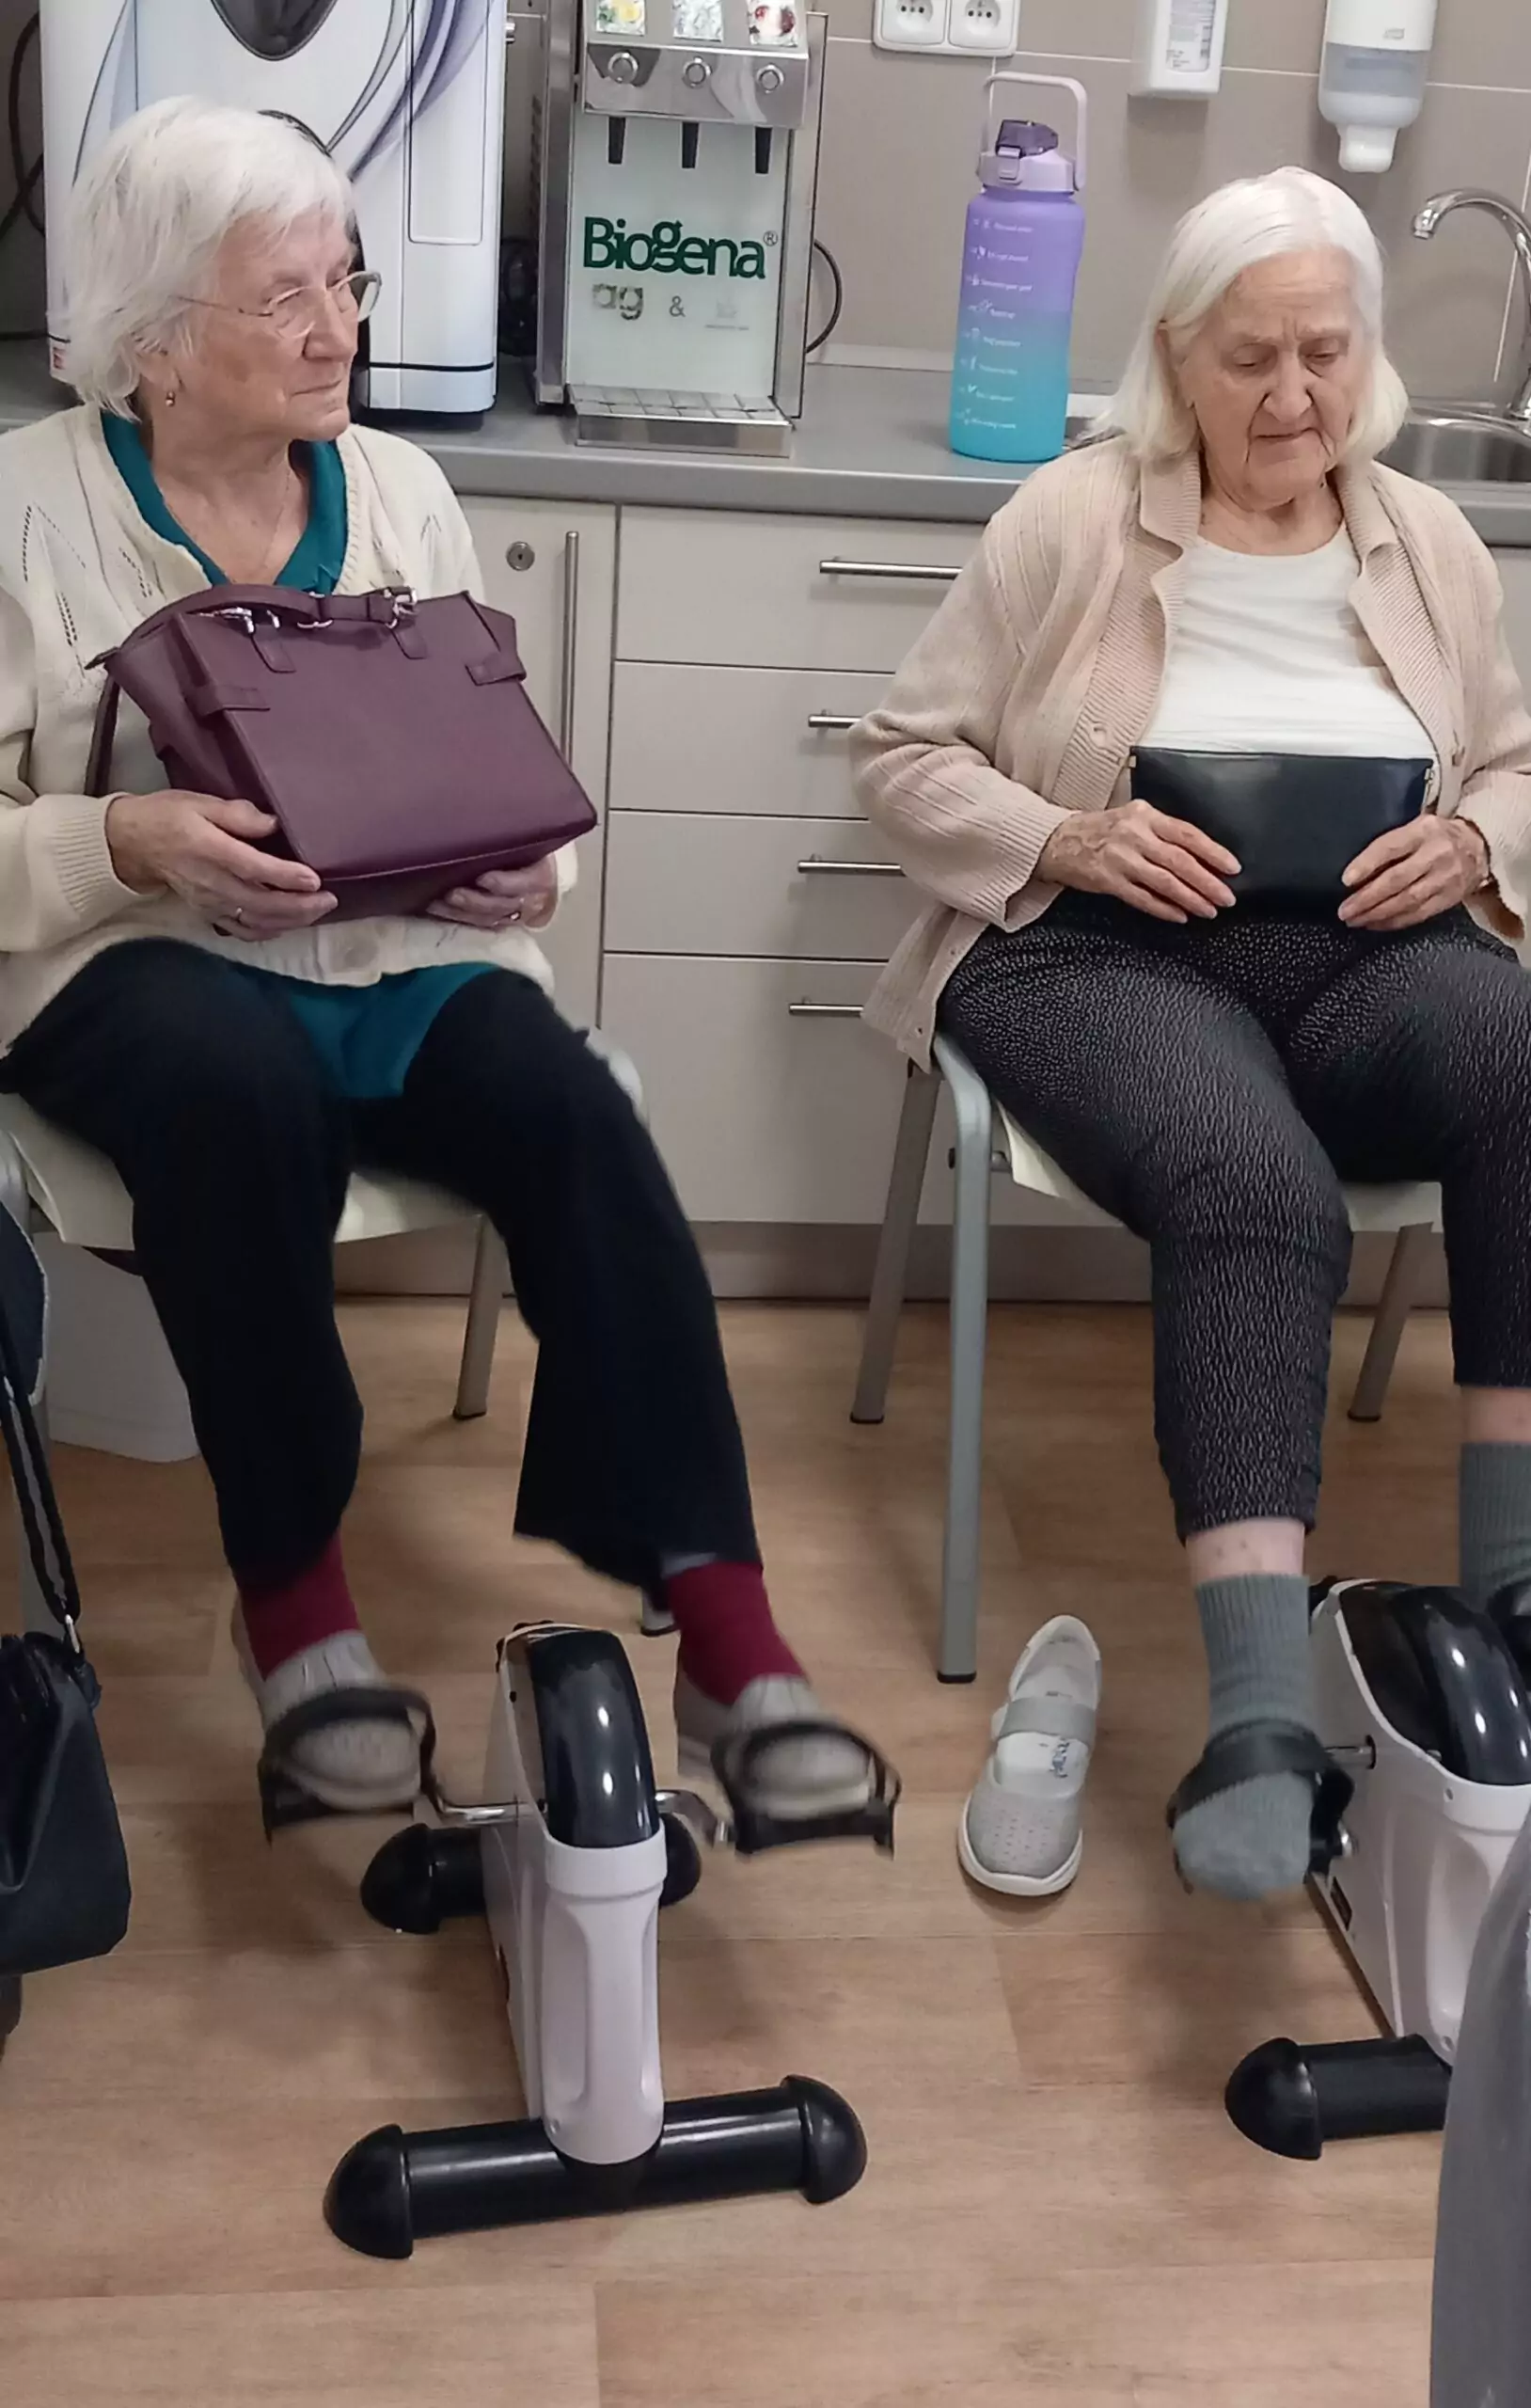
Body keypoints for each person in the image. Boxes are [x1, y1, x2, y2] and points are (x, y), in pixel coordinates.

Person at [0, 96, 888, 1834]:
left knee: (575, 1109)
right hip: (133, 963)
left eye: (346, 282)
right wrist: (124, 839)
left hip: (398, 956)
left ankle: (731, 1637)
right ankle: (299, 1615)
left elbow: (500, 764)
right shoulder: (22, 508)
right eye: (284, 297)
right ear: (153, 340)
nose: (339, 329)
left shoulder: (402, 491)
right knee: (239, 1091)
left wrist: (533, 870)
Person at [854, 166, 1531, 1903]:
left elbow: (1520, 763)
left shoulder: (1430, 542)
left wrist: (1476, 841)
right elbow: (904, 758)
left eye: (1326, 352)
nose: (1295, 396)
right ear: (1176, 359)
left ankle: (1515, 1587)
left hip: (1365, 959)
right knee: (1257, 1182)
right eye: (1251, 359)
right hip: (1095, 955)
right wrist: (1066, 836)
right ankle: (1257, 1721)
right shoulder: (1073, 520)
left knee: (1523, 1057)